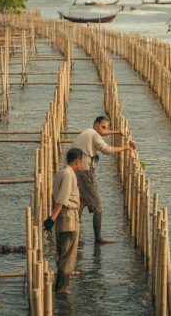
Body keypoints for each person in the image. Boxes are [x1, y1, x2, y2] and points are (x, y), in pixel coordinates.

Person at [72, 116, 136, 244]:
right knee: (98, 206)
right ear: (95, 125)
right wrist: (124, 148)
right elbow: (107, 150)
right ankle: (98, 238)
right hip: (84, 171)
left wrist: (117, 132)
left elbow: (103, 133)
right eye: (103, 126)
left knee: (83, 200)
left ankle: (75, 230)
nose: (105, 130)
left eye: (106, 127)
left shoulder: (89, 132)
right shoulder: (94, 135)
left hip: (78, 168)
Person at [43, 148, 84, 294]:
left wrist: (53, 218)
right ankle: (61, 288)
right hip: (68, 218)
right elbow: (62, 199)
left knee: (61, 254)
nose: (82, 164)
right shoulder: (69, 175)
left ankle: (59, 286)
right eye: (82, 161)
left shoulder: (61, 171)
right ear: (78, 160)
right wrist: (52, 218)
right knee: (68, 256)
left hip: (62, 219)